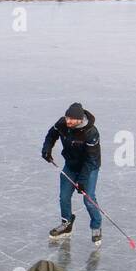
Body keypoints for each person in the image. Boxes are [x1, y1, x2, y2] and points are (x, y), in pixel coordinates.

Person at [41, 102, 103, 246]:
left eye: (71, 119)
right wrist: (47, 149)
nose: (68, 121)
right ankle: (66, 223)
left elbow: (90, 160)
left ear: (80, 119)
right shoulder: (63, 124)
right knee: (64, 196)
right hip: (71, 165)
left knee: (89, 199)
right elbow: (52, 134)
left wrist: (81, 181)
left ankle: (96, 226)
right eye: (67, 117)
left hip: (89, 168)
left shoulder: (91, 132)